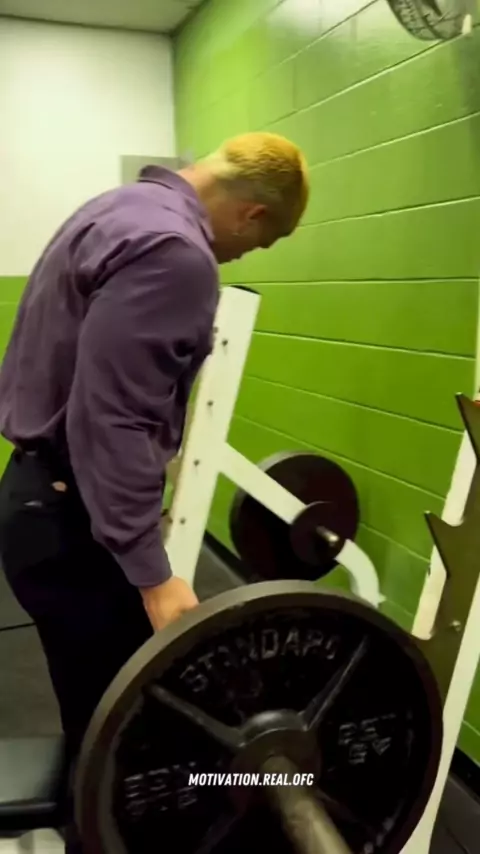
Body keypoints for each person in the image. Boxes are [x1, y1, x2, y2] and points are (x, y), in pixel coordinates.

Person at [0, 132, 309, 851]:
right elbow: (112, 417)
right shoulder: (178, 253)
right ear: (254, 215)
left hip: (41, 499)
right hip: (72, 520)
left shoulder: (119, 209)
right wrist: (151, 570)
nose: (243, 257)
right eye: (260, 244)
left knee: (104, 720)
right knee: (126, 739)